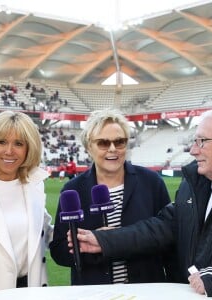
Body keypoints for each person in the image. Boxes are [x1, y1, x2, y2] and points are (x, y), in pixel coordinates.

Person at [74, 105, 212, 297]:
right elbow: (163, 227)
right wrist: (106, 241)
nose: (193, 150)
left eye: (202, 141)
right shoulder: (197, 181)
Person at [50, 108, 171, 285]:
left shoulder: (151, 183)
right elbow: (59, 251)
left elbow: (167, 236)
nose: (113, 149)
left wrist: (113, 241)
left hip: (145, 290)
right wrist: (88, 248)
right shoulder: (73, 190)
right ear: (88, 147)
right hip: (93, 293)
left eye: (119, 142)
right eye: (103, 143)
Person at [0, 111, 53, 294]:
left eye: (18, 144)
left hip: (29, 288)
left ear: (29, 148)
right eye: (2, 142)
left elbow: (45, 233)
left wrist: (82, 235)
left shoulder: (35, 185)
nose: (9, 151)